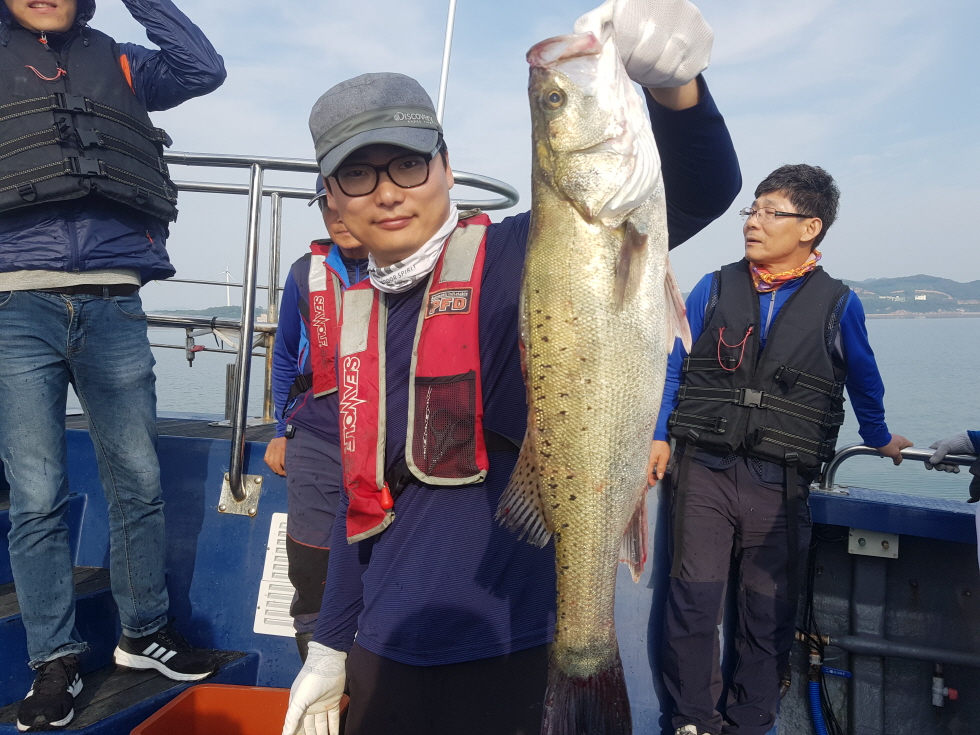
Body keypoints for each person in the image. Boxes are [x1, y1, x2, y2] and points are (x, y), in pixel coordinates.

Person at [280, 2, 741, 733]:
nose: (389, 191)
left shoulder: (529, 253)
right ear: (331, 199)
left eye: (408, 163)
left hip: (519, 639)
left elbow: (702, 185)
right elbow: (356, 502)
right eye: (357, 175)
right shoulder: (354, 319)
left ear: (446, 166)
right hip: (385, 647)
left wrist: (675, 88)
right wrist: (332, 644)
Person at [0, 0, 225, 730]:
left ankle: (144, 633)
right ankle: (54, 661)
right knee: (37, 495)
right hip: (14, 305)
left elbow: (202, 69)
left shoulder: (123, 60)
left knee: (139, 479)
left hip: (114, 302)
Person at [649, 164, 912, 735]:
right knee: (693, 600)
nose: (754, 222)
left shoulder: (840, 304)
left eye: (772, 212)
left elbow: (864, 378)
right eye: (753, 210)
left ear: (810, 227)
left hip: (781, 479)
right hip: (703, 468)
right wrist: (659, 435)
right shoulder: (713, 287)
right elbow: (674, 367)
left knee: (766, 610)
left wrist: (878, 436)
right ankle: (692, 722)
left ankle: (749, 724)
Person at [264, 176, 369, 661]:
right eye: (327, 207)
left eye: (347, 204)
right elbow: (286, 356)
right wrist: (281, 431)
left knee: (383, 560)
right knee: (310, 565)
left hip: (384, 438)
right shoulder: (303, 273)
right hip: (315, 434)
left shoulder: (406, 267)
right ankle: (318, 666)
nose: (338, 216)